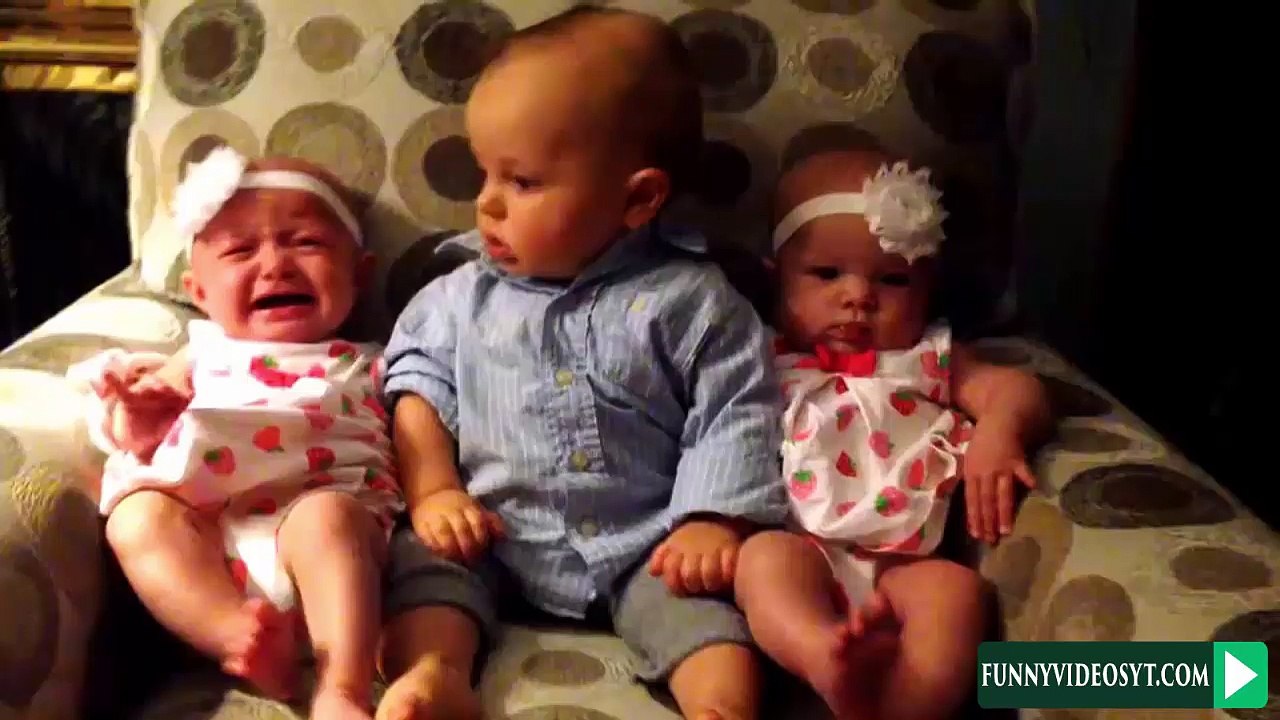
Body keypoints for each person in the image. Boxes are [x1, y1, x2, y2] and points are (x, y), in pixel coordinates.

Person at [375, 7, 788, 720]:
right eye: (484, 175)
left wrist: (712, 521)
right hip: (488, 532)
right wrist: (436, 491)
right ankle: (437, 673)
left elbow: (736, 410)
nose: (486, 204)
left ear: (637, 197)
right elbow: (415, 388)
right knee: (426, 571)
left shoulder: (693, 303)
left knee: (707, 613)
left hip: (648, 546)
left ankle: (721, 707)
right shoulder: (457, 298)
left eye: (524, 183)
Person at [68, 147, 402, 720]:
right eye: (241, 250)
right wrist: (141, 422)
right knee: (137, 516)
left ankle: (340, 688)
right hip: (209, 554)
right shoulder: (201, 355)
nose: (274, 265)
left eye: (306, 243)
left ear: (360, 274)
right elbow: (132, 429)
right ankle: (236, 638)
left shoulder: (372, 361)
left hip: (330, 549)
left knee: (325, 518)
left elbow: (422, 429)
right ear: (199, 293)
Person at [732, 149, 1054, 720]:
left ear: (928, 288)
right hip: (805, 547)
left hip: (908, 558)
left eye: (894, 278)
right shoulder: (762, 358)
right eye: (827, 274)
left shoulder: (928, 358)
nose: (858, 295)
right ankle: (822, 655)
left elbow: (1014, 389)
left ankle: (904, 705)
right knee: (761, 561)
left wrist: (999, 432)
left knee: (959, 597)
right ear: (774, 277)